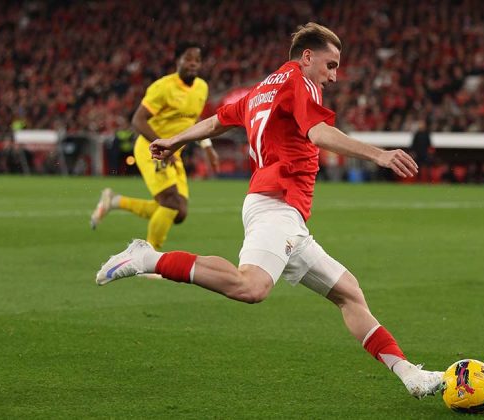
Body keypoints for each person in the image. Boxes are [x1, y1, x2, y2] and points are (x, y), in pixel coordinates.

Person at [95, 23, 444, 399]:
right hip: (277, 203)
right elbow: (319, 133)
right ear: (307, 57)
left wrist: (177, 140)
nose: (333, 76)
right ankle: (148, 258)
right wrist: (380, 154)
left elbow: (218, 121)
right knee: (251, 286)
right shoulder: (299, 82)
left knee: (349, 293)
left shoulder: (263, 88)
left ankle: (410, 374)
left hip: (282, 211)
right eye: (330, 65)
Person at [90, 42, 220, 250]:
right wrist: (164, 145)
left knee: (179, 212)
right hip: (152, 149)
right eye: (188, 59)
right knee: (171, 203)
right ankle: (147, 257)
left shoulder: (201, 88)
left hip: (173, 152)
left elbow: (193, 120)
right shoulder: (163, 88)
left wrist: (207, 146)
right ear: (177, 60)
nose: (193, 64)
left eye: (197, 60)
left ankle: (114, 202)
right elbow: (138, 120)